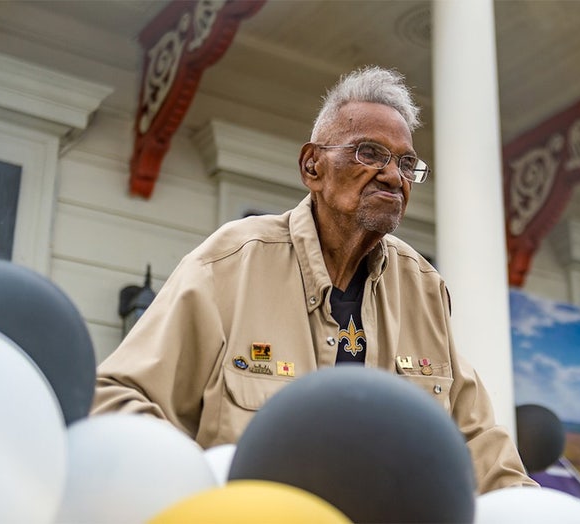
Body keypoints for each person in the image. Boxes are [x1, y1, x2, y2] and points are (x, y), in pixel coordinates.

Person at [92, 66, 537, 493]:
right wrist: (203, 489)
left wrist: (534, 510)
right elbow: (117, 396)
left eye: (406, 163)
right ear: (312, 167)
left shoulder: (423, 287)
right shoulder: (231, 263)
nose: (392, 175)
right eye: (370, 153)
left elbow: (481, 448)